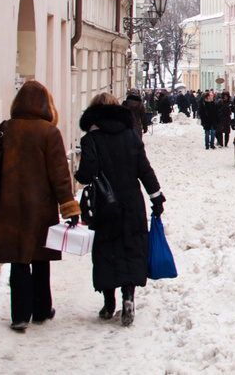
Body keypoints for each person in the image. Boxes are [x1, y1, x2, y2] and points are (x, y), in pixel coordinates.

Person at [0, 80, 81, 332]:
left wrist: (9, 166)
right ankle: (42, 311)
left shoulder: (3, 129)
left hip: (10, 206)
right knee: (40, 258)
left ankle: (20, 316)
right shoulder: (49, 132)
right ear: (46, 104)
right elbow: (59, 173)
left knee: (18, 260)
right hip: (41, 207)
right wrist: (68, 205)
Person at [75, 93, 164, 327]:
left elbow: (86, 174)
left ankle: (108, 304)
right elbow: (144, 169)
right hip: (132, 201)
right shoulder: (130, 136)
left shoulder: (91, 139)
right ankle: (128, 298)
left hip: (105, 204)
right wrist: (156, 196)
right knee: (131, 247)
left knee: (107, 250)